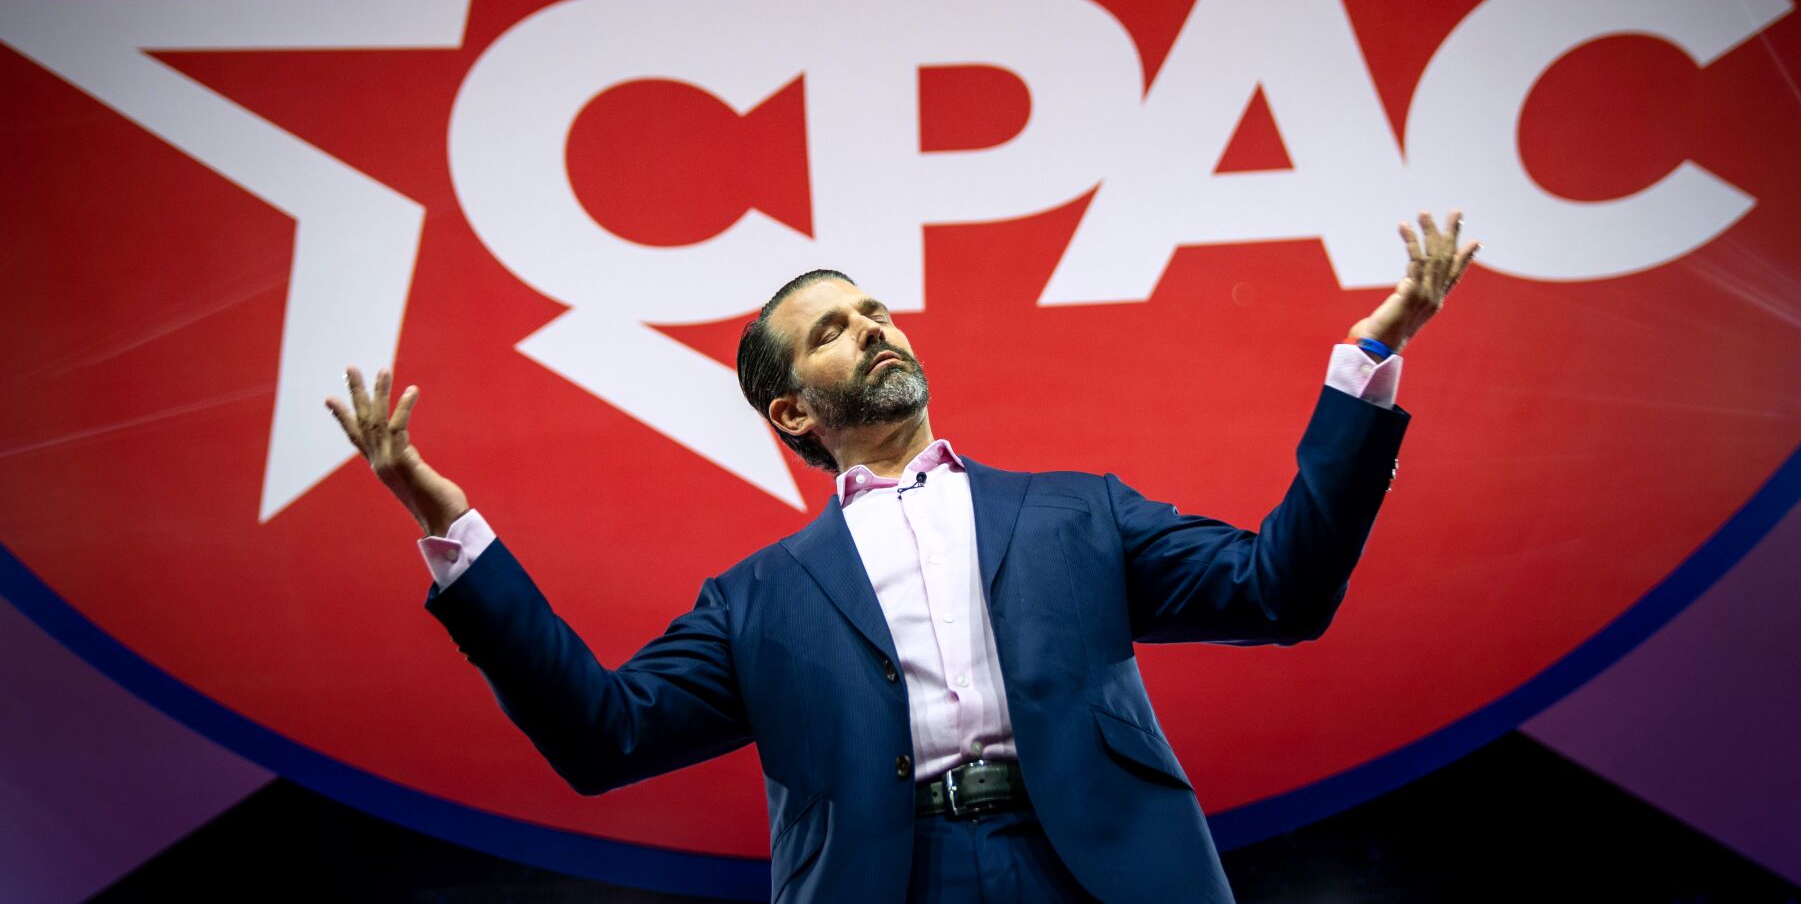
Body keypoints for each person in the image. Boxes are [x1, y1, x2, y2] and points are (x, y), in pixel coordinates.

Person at [330, 211, 1478, 903]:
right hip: (889, 880)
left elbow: (1281, 591)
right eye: (832, 329)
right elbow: (600, 735)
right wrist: (453, 532)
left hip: (1095, 862)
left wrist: (1368, 362)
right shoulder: (757, 601)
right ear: (791, 413)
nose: (872, 327)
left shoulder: (1076, 514)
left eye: (874, 310)